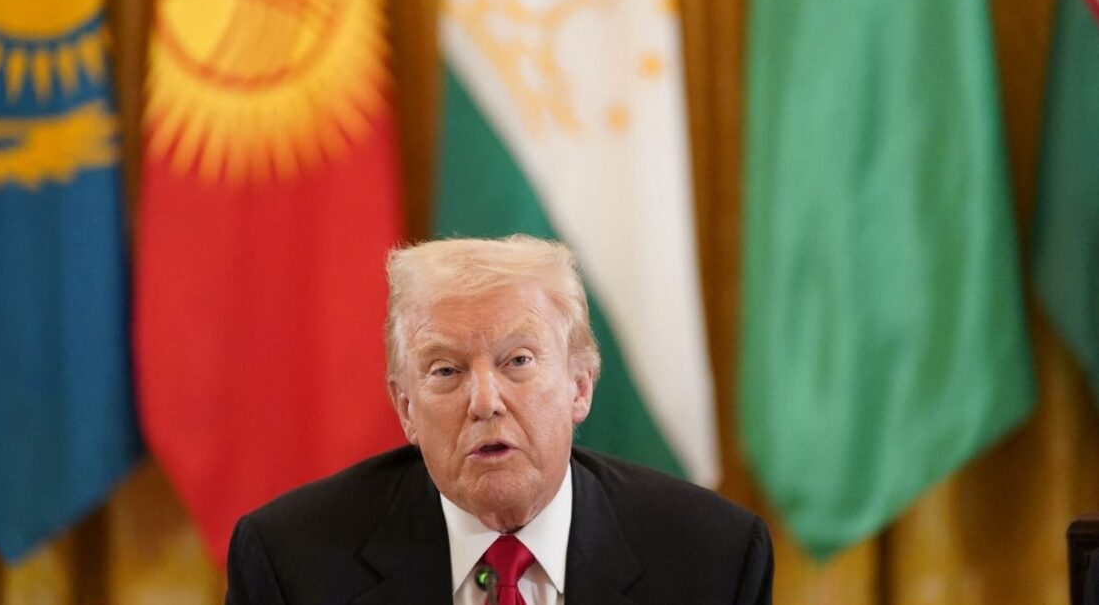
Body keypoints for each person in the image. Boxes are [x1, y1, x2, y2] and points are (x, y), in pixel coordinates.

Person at [226, 235, 773, 604]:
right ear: (406, 407)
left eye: (518, 361)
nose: (484, 400)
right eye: (446, 370)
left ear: (580, 386)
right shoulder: (290, 562)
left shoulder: (713, 559)